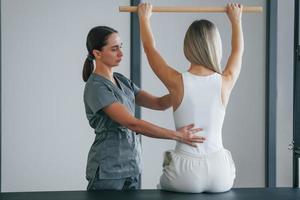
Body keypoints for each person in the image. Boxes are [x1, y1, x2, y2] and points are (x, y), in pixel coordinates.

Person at [82, 26, 206, 190]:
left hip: (131, 167)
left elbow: (159, 104)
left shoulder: (121, 80)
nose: (121, 53)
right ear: (97, 53)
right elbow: (132, 124)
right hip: (107, 170)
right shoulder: (96, 87)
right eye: (114, 49)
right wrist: (177, 135)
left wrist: (186, 86)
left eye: (121, 46)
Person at [138, 2, 243, 193]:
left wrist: (144, 18)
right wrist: (236, 21)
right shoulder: (226, 81)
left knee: (164, 181)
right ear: (216, 46)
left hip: (184, 174)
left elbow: (149, 49)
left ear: (187, 47)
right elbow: (238, 51)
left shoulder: (176, 81)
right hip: (220, 173)